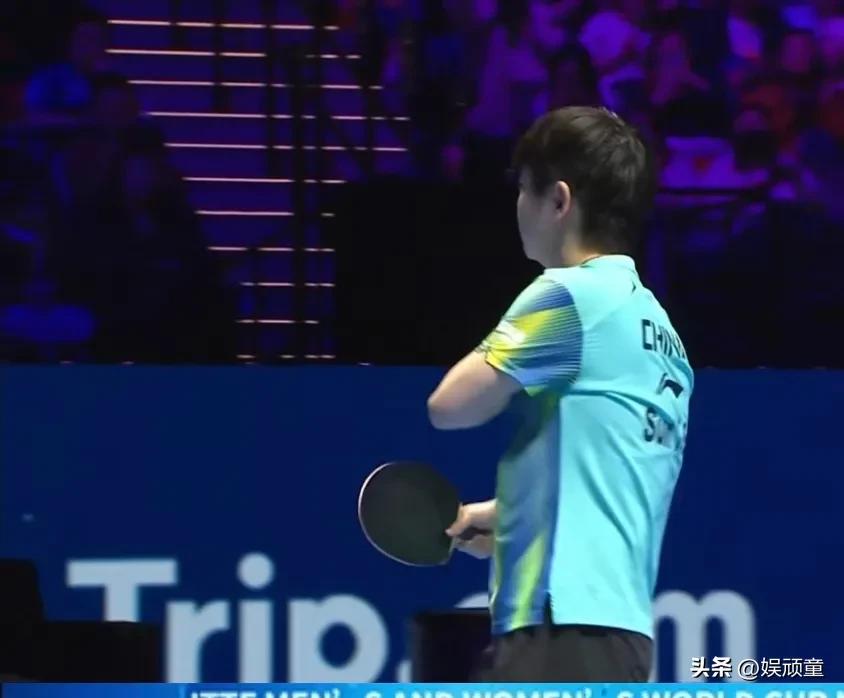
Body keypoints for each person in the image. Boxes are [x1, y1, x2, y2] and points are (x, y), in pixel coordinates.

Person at [426, 106, 694, 681]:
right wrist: (506, 517)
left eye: (525, 188)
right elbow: (607, 476)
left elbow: (450, 406)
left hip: (555, 628)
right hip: (622, 637)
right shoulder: (662, 334)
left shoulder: (568, 296)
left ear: (559, 201)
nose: (518, 205)